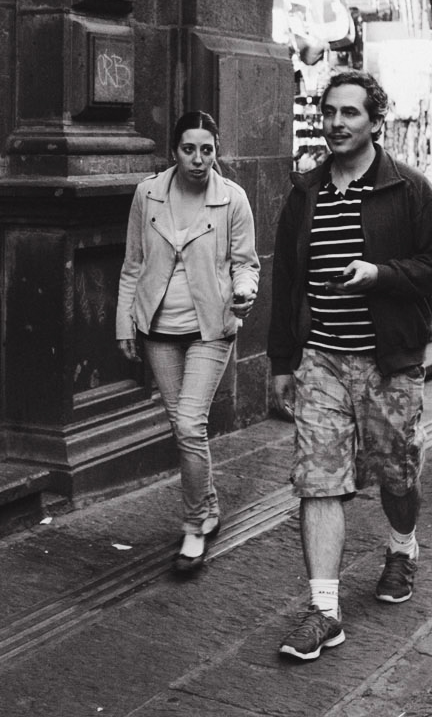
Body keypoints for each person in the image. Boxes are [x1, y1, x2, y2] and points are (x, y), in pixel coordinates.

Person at [269, 70, 432, 662]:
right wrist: (282, 360)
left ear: (376, 121)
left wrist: (381, 276)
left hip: (388, 362)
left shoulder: (409, 189)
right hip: (322, 357)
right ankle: (324, 610)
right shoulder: (306, 193)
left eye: (350, 113)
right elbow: (286, 282)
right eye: (329, 112)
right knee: (318, 478)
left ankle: (402, 545)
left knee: (397, 474)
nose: (336, 123)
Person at [115, 111, 259, 571]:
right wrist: (124, 323)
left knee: (191, 424)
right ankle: (209, 504)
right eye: (188, 149)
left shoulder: (232, 199)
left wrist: (245, 291)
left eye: (207, 149)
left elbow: (247, 262)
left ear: (217, 151)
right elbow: (132, 264)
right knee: (183, 428)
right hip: (158, 329)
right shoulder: (148, 193)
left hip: (210, 329)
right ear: (172, 150)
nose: (198, 160)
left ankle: (194, 526)